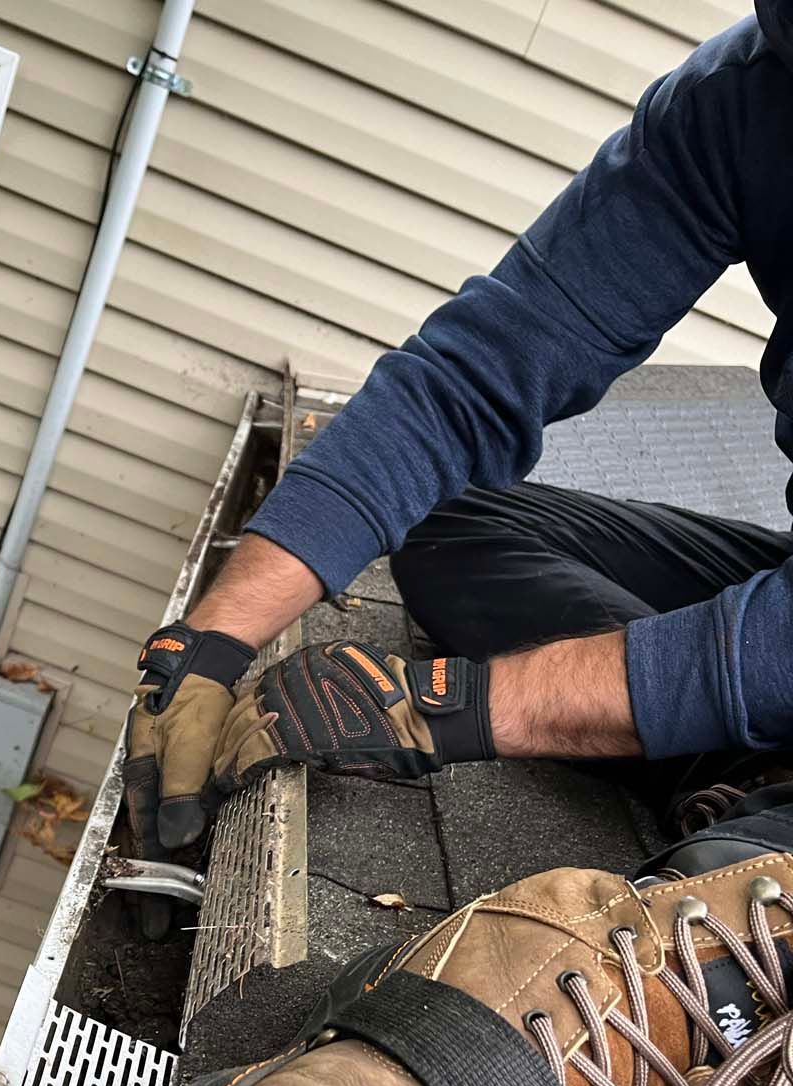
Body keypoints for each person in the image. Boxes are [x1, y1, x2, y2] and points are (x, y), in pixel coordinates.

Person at [124, 2, 793, 862]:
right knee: (459, 530)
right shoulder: (748, 95)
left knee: (699, 931)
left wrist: (449, 705)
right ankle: (749, 763)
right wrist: (215, 637)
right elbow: (482, 370)